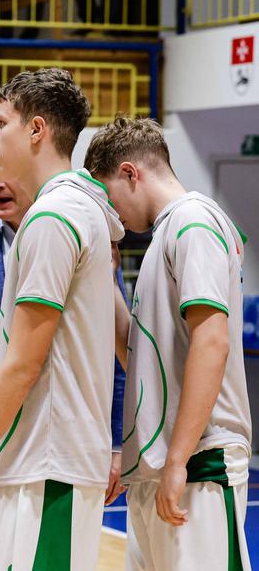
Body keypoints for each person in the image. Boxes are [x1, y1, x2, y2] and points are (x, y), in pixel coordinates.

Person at [0, 68, 125, 571]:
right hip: (38, 463)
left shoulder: (54, 217)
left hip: (48, 468)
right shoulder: (80, 209)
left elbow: (22, 366)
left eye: (1, 122)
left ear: (36, 130)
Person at [84, 116, 252, 570]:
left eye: (108, 196)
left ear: (130, 173)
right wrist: (106, 279)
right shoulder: (166, 234)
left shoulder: (193, 222)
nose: (111, 213)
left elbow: (211, 342)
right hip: (161, 467)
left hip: (198, 463)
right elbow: (139, 356)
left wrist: (177, 461)